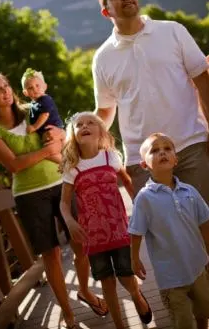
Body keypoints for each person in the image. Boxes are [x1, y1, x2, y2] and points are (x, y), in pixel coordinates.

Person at [92, 0, 209, 329]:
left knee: (207, 227)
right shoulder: (102, 58)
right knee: (164, 240)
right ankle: (184, 312)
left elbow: (202, 78)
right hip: (142, 160)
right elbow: (106, 111)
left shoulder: (171, 30)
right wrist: (80, 137)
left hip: (189, 144)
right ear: (105, 10)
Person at [0, 72, 108, 329]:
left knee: (82, 242)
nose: (4, 92)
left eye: (6, 86)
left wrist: (58, 138)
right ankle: (68, 315)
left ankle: (85, 291)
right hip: (29, 195)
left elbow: (60, 135)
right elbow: (15, 165)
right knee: (51, 255)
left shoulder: (32, 110)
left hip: (61, 184)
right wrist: (47, 151)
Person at [129, 133, 209, 329]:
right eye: (154, 150)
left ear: (175, 159)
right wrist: (134, 258)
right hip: (170, 276)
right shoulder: (144, 199)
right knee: (183, 322)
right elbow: (136, 231)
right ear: (144, 165)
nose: (162, 152)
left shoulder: (189, 191)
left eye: (167, 149)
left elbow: (206, 219)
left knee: (208, 309)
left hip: (198, 267)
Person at [59, 112, 152, 329]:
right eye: (79, 124)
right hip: (92, 235)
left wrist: (139, 208)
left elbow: (128, 182)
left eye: (91, 122)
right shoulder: (73, 167)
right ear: (72, 134)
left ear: (101, 130)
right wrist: (70, 222)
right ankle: (120, 325)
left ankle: (137, 296)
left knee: (126, 277)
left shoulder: (111, 157)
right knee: (107, 281)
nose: (84, 126)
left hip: (119, 228)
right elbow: (64, 204)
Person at [21, 68, 64, 140]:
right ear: (25, 93)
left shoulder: (45, 99)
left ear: (45, 86)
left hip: (52, 129)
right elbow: (28, 106)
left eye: (37, 85)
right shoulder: (34, 103)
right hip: (45, 133)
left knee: (53, 147)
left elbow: (45, 115)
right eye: (30, 88)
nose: (35, 89)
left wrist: (34, 127)